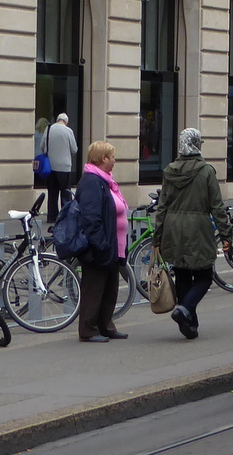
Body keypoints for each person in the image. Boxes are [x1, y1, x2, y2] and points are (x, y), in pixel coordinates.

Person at [153, 128, 232, 340]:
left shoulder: (170, 170)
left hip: (173, 227)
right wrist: (226, 235)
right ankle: (184, 308)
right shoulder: (206, 171)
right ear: (197, 144)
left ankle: (191, 324)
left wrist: (157, 238)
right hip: (198, 227)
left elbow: (162, 206)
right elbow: (217, 206)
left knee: (183, 273)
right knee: (205, 275)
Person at [73, 141, 128, 342]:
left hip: (113, 245)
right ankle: (88, 330)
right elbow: (91, 218)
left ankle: (105, 325)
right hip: (100, 246)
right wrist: (101, 244)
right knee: (94, 289)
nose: (114, 161)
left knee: (109, 288)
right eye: (112, 157)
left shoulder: (105, 181)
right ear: (103, 158)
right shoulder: (91, 182)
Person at [42, 113, 79, 223]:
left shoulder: (48, 129)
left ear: (57, 120)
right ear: (66, 121)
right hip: (65, 166)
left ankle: (52, 217)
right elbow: (74, 149)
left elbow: (42, 147)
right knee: (66, 193)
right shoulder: (68, 131)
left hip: (51, 167)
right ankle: (65, 216)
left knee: (52, 194)